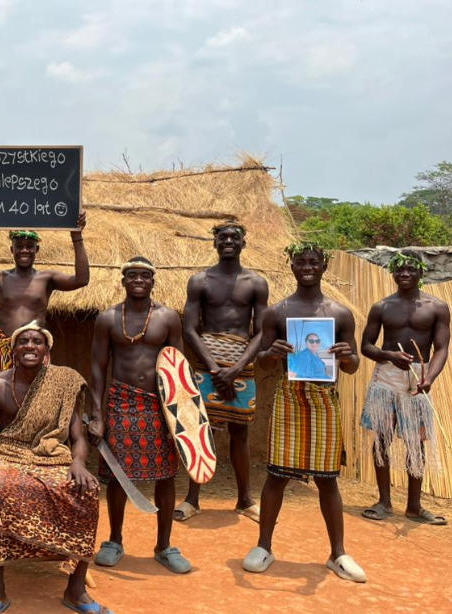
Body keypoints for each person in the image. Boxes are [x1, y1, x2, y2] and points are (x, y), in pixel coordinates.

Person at [0, 322, 112, 614]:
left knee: (86, 491)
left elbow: (78, 437)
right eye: (23, 341)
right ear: (13, 349)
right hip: (9, 454)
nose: (30, 346)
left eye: (37, 341)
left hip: (53, 455)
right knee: (0, 488)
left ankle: (75, 590)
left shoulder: (64, 382)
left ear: (46, 350)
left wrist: (78, 462)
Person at [243, 243, 365, 583]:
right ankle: (264, 546)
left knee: (328, 479)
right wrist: (272, 351)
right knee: (277, 475)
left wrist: (346, 355)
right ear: (291, 265)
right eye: (301, 261)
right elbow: (262, 362)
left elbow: (354, 365)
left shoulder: (340, 313)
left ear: (324, 266)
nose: (307, 266)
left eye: (314, 261)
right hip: (290, 395)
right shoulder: (278, 313)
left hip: (325, 397)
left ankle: (337, 553)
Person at [88, 256, 191, 574]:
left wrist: (182, 412)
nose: (138, 280)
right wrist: (97, 413)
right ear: (122, 281)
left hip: (160, 405)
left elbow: (178, 365)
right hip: (120, 402)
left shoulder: (168, 317)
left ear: (152, 281)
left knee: (166, 476)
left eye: (144, 276)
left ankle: (164, 545)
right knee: (118, 475)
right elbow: (97, 367)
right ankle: (115, 540)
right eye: (131, 275)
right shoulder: (107, 319)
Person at [179, 221, 268, 523]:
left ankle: (244, 499)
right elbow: (190, 329)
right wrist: (216, 368)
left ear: (244, 243)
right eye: (223, 237)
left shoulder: (256, 283)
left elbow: (261, 331)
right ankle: (192, 498)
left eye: (234, 237)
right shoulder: (199, 281)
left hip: (242, 362)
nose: (228, 241)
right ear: (214, 242)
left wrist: (237, 367)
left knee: (240, 432)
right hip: (207, 363)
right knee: (200, 430)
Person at [360, 249, 449, 525]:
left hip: (418, 378)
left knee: (416, 443)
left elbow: (442, 347)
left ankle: (414, 506)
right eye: (400, 269)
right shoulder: (382, 307)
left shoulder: (437, 307)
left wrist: (430, 378)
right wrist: (389, 355)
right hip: (386, 378)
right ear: (393, 273)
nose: (406, 274)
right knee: (382, 439)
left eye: (412, 269)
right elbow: (366, 346)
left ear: (422, 272)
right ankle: (384, 502)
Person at [0, 211, 89, 377]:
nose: (24, 250)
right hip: (5, 351)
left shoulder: (47, 278)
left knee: (38, 401)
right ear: (12, 249)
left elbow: (81, 279)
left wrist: (77, 237)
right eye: (19, 246)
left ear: (36, 249)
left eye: (29, 246)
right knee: (0, 399)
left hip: (35, 352)